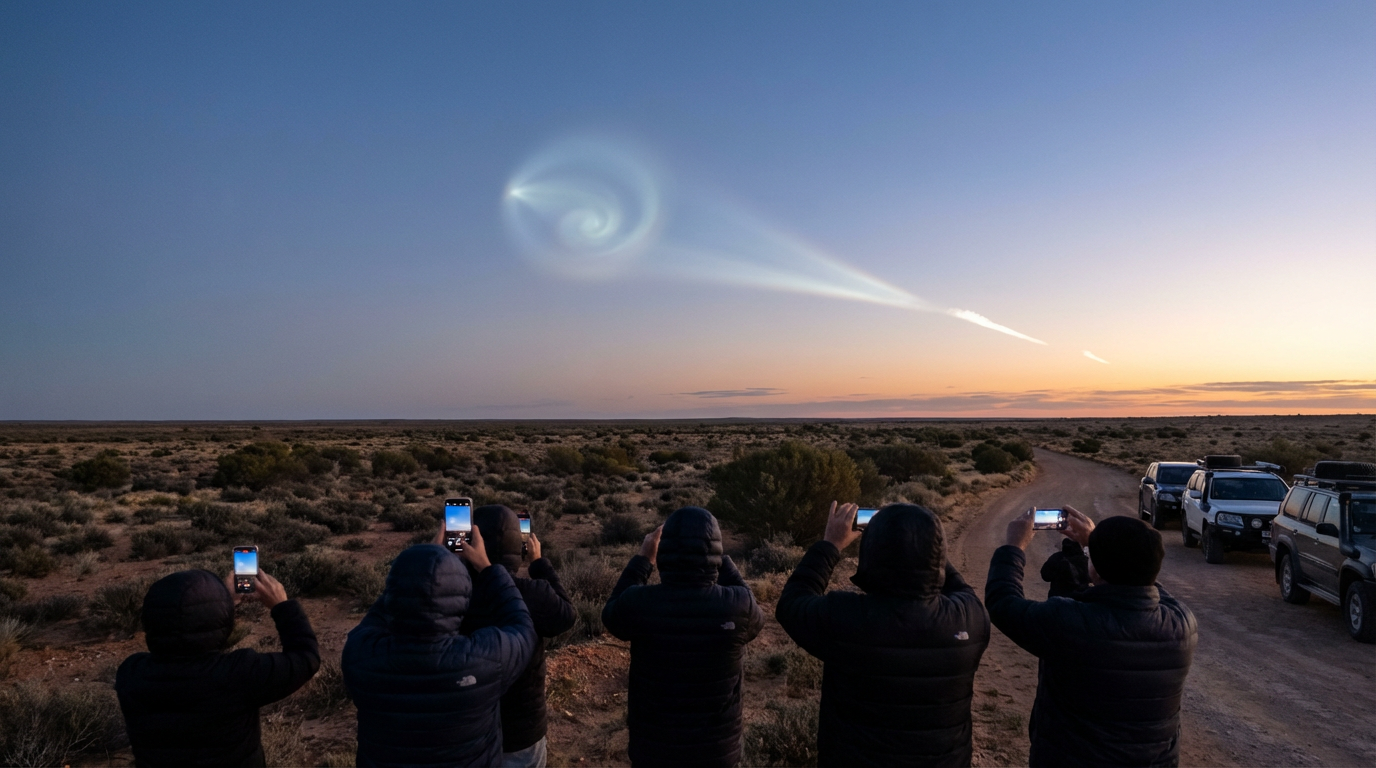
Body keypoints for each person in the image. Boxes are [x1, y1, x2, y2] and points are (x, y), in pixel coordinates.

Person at [776, 502, 991, 768]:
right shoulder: (970, 618)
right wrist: (920, 540)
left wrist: (830, 544)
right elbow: (958, 585)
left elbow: (792, 603)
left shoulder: (846, 617)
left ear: (871, 553)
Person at [985, 508, 1198, 768]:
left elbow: (1003, 603)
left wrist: (1014, 547)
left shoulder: (1070, 622)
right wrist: (1095, 546)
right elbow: (1145, 581)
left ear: (1094, 571)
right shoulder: (1182, 624)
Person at [343, 522, 536, 768]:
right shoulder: (485, 661)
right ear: (462, 598)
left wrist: (414, 573)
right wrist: (487, 568)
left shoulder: (360, 656)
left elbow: (379, 615)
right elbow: (522, 626)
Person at [601, 506, 764, 768]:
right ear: (715, 552)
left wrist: (643, 559)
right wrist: (721, 559)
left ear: (663, 552)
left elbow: (610, 614)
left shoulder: (639, 603)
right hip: (716, 752)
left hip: (654, 750)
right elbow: (755, 615)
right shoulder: (737, 605)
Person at [115, 568, 320, 768]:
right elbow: (305, 657)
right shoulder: (238, 674)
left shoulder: (131, 674)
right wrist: (282, 606)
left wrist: (218, 605)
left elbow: (181, 640)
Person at [462, 505, 577, 768]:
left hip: (466, 731)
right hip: (522, 730)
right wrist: (539, 563)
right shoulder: (534, 594)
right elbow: (567, 615)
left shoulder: (451, 594)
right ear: (520, 548)